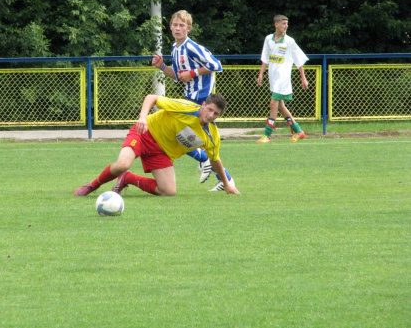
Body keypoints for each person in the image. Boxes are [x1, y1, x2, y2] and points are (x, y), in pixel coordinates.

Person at [74, 93, 240, 197]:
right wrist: (142, 118)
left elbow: (214, 160)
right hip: (145, 133)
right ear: (203, 105)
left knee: (169, 191)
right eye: (209, 109)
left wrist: (226, 183)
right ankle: (92, 186)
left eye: (216, 114)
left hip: (161, 153)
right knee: (122, 164)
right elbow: (151, 98)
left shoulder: (211, 135)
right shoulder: (186, 108)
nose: (211, 115)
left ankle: (128, 178)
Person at [151, 10, 232, 191]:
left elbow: (216, 65)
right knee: (184, 136)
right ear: (170, 26)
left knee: (186, 137)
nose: (178, 28)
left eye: (182, 25)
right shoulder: (175, 48)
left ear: (189, 28)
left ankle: (214, 169)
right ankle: (220, 175)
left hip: (202, 100)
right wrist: (162, 66)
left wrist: (193, 72)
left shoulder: (191, 47)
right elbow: (179, 77)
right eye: (175, 25)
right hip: (190, 98)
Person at [256, 14, 309, 143]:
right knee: (280, 106)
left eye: (287, 23)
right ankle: (298, 131)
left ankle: (267, 135)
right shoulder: (269, 39)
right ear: (276, 25)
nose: (286, 26)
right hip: (273, 77)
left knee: (273, 103)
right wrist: (261, 73)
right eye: (283, 23)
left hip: (283, 78)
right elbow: (266, 58)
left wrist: (303, 78)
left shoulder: (289, 41)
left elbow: (299, 60)